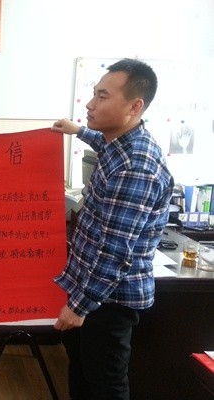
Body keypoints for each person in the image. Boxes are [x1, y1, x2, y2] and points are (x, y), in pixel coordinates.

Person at [51, 59, 174, 399]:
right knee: (82, 371)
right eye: (94, 94)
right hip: (93, 289)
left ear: (135, 106)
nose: (90, 104)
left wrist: (79, 306)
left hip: (110, 299)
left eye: (102, 97)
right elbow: (103, 143)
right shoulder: (119, 142)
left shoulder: (136, 166)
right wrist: (77, 131)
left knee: (105, 384)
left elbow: (115, 251)